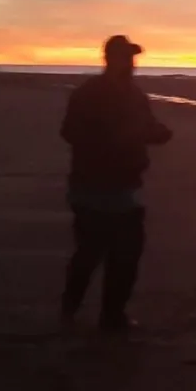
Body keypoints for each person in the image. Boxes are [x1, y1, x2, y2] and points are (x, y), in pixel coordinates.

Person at [59, 35, 172, 333]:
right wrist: (112, 140)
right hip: (92, 187)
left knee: (125, 254)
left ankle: (111, 315)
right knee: (91, 252)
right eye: (126, 58)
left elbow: (147, 127)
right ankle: (71, 310)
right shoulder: (89, 94)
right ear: (110, 59)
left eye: (133, 58)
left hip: (126, 187)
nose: (132, 64)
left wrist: (157, 133)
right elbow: (70, 132)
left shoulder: (135, 96)